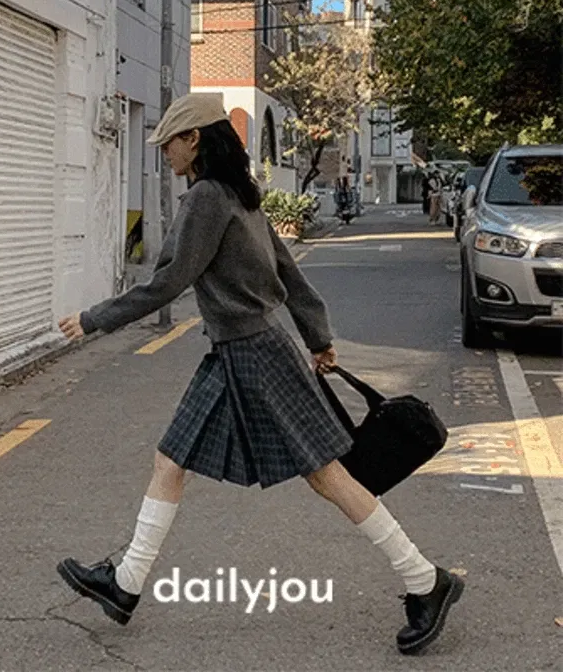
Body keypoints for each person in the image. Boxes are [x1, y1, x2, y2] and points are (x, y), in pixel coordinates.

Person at [56, 93, 464, 656]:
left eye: (169, 143)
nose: (164, 153)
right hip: (242, 352)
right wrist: (317, 336)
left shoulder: (208, 198)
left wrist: (93, 318)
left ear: (194, 139)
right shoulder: (240, 195)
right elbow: (288, 270)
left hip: (255, 355)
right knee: (171, 460)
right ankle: (125, 583)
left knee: (327, 476)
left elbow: (168, 282)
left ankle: (425, 579)